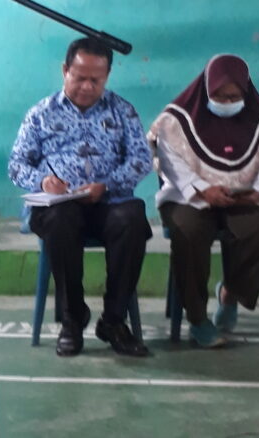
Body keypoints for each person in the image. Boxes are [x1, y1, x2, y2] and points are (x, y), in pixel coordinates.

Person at [9, 38, 152, 358]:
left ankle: (113, 321)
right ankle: (72, 319)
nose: (87, 86)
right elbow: (17, 165)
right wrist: (43, 181)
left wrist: (107, 184)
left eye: (96, 80)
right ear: (65, 70)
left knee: (132, 218)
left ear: (107, 76)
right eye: (79, 77)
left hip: (109, 202)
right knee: (60, 222)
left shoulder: (123, 111)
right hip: (59, 206)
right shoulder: (41, 114)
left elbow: (141, 159)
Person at [148, 54, 259, 348]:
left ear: (246, 92)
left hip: (241, 198)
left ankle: (230, 293)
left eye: (234, 97)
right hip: (189, 198)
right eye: (220, 96)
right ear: (206, 89)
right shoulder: (176, 120)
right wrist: (201, 189)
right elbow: (169, 163)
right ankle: (198, 319)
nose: (227, 102)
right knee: (188, 231)